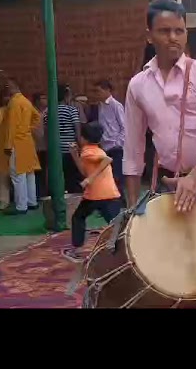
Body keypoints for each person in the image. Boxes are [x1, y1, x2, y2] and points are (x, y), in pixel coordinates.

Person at [123, 0, 196, 308]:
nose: (173, 38)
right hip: (165, 191)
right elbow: (133, 149)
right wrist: (132, 206)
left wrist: (195, 177)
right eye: (164, 31)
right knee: (170, 273)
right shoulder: (138, 86)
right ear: (149, 35)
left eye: (179, 31)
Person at [61, 122, 121, 262]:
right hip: (110, 194)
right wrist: (75, 155)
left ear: (83, 138)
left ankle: (76, 249)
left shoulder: (88, 151)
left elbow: (107, 160)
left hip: (96, 195)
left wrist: (90, 179)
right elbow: (84, 170)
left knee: (78, 218)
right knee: (116, 224)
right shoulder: (96, 150)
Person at [0, 78, 41, 215]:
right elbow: (37, 117)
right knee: (29, 173)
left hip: (16, 141)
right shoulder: (26, 101)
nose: (6, 88)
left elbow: (11, 126)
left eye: (8, 85)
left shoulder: (14, 102)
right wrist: (28, 128)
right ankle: (31, 202)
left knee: (17, 175)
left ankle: (21, 206)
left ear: (14, 86)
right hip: (27, 140)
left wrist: (8, 145)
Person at [43, 84, 82, 194]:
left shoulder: (48, 111)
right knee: (72, 177)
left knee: (57, 176)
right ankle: (73, 199)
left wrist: (48, 147)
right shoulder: (71, 110)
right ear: (66, 96)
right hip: (71, 149)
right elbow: (77, 130)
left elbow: (46, 132)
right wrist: (80, 146)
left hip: (55, 150)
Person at [92, 79, 126, 206]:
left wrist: (117, 142)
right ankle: (111, 203)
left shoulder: (116, 105)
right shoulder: (99, 106)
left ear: (107, 90)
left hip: (115, 146)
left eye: (98, 91)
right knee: (107, 177)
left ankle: (121, 203)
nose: (96, 94)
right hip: (104, 146)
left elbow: (124, 127)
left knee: (117, 177)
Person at [32, 93, 48, 199]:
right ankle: (38, 193)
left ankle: (45, 192)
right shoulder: (32, 111)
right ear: (37, 100)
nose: (46, 100)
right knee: (36, 172)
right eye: (43, 98)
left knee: (46, 170)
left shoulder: (49, 112)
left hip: (46, 146)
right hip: (34, 146)